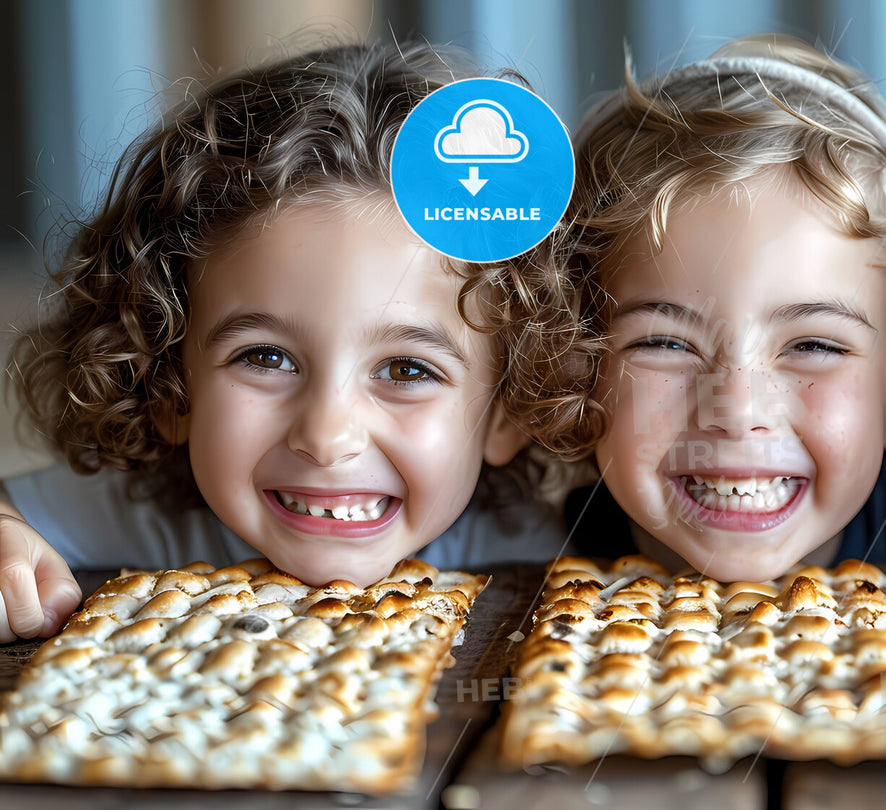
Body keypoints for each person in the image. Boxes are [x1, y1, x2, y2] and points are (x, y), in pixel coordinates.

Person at [0, 40, 567, 642]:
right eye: (266, 358)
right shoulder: (149, 519)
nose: (327, 437)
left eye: (406, 370)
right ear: (169, 384)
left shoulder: (537, 554)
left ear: (507, 408)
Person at [505, 34, 886, 583]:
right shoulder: (506, 557)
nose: (738, 411)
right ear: (572, 369)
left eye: (813, 345)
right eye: (665, 342)